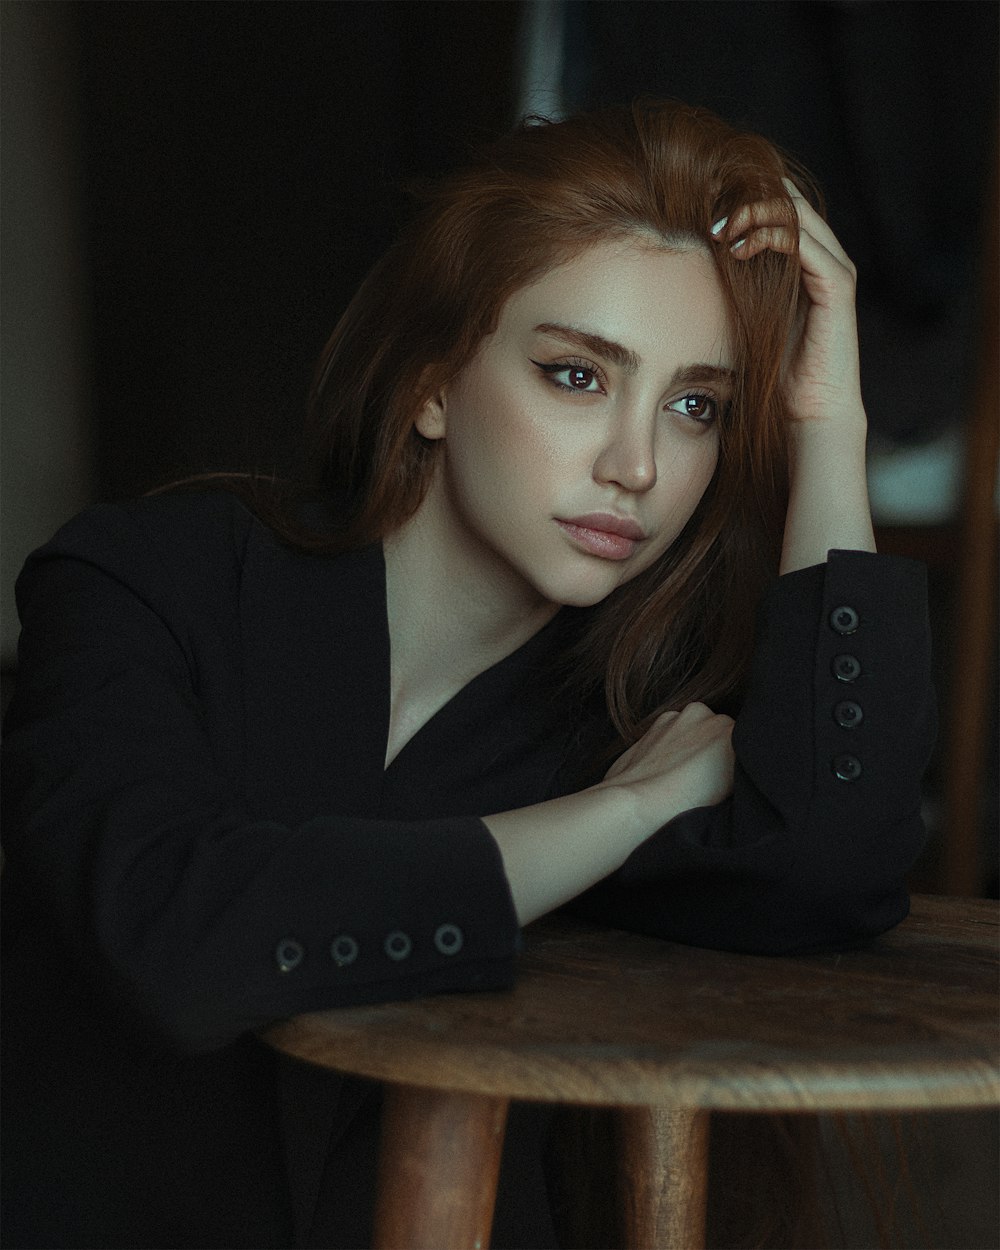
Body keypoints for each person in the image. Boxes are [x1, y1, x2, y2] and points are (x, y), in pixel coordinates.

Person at [0, 99, 934, 1249]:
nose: (637, 464)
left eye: (698, 406)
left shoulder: (625, 706)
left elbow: (834, 867)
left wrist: (827, 423)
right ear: (435, 382)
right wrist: (620, 811)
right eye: (576, 375)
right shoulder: (150, 582)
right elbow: (176, 927)